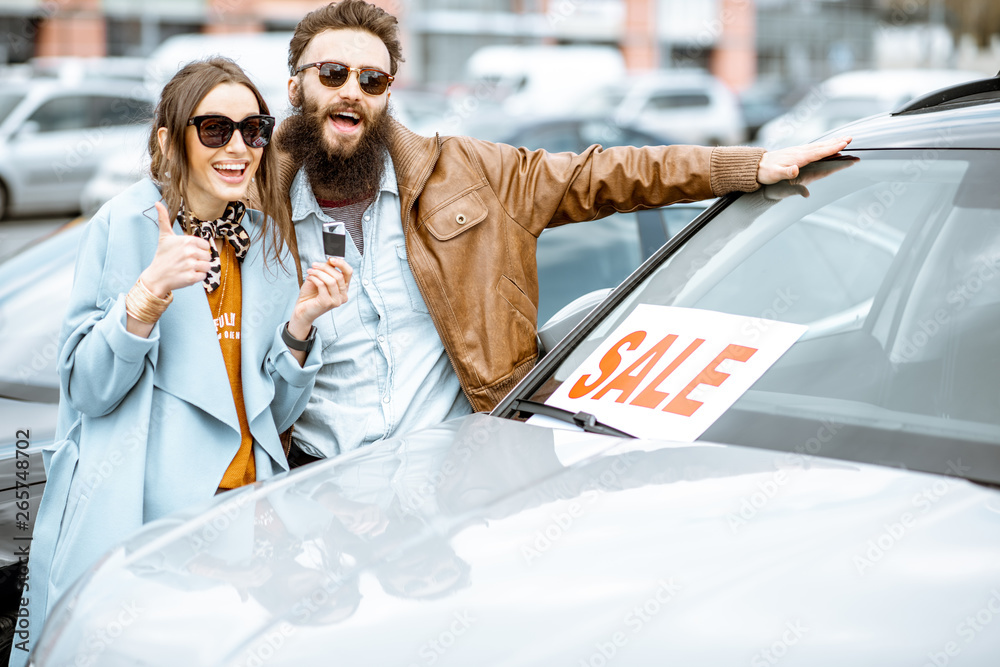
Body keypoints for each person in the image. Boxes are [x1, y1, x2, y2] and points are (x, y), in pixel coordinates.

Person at [276, 0, 852, 461]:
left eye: (372, 79)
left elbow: (608, 174)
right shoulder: (256, 209)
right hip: (322, 486)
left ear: (387, 95)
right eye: (332, 73)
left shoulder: (472, 174)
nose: (352, 89)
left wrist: (748, 166)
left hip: (457, 479)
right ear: (296, 87)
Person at [11, 57, 350, 665]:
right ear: (170, 139)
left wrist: (300, 327)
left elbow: (272, 410)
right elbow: (87, 390)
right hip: (149, 519)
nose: (238, 147)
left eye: (253, 130)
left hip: (250, 516)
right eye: (214, 129)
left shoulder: (264, 237)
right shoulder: (128, 221)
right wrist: (146, 297)